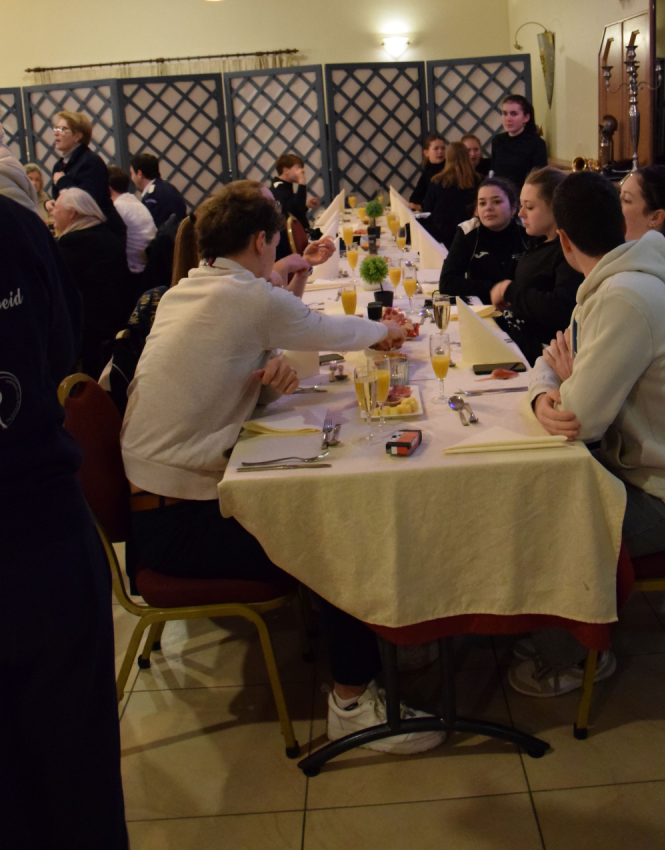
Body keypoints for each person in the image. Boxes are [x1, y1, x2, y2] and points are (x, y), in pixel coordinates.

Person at [121, 180, 444, 754]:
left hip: (153, 506)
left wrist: (265, 384)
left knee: (322, 498)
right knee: (332, 533)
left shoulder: (187, 289)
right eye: (273, 243)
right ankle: (352, 702)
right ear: (260, 240)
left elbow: (224, 374)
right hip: (177, 523)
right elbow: (330, 331)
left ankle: (385, 632)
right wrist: (389, 331)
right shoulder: (245, 298)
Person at [510, 172, 665, 699]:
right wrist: (547, 390)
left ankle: (574, 657)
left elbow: (578, 421)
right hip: (648, 472)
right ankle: (542, 625)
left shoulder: (625, 296)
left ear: (563, 239)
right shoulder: (614, 281)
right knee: (535, 489)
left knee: (544, 519)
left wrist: (563, 386)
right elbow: (553, 359)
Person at [0, 196, 128, 850]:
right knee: (77, 780)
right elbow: (58, 353)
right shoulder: (16, 227)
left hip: (40, 525)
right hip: (41, 525)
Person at [489, 167, 582, 363]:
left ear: (555, 207)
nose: (521, 213)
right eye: (522, 206)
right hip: (520, 341)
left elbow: (562, 308)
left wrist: (511, 291)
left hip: (544, 355)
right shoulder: (539, 243)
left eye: (529, 207)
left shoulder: (568, 252)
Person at [53, 187, 133, 379]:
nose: (52, 212)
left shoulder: (72, 245)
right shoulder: (107, 236)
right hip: (117, 323)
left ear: (72, 213)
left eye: (56, 208)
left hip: (90, 333)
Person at [439, 177, 528, 302]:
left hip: (521, 305)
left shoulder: (528, 232)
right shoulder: (468, 232)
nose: (488, 208)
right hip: (482, 308)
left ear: (514, 207)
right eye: (482, 203)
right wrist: (496, 289)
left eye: (497, 202)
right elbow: (447, 283)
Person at [50, 110, 127, 241]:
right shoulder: (59, 165)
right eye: (56, 128)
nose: (56, 132)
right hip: (76, 231)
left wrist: (62, 181)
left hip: (102, 233)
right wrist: (51, 204)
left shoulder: (91, 161)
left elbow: (88, 200)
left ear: (77, 136)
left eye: (63, 129)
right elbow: (59, 197)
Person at [420, 141, 481, 248]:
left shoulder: (437, 181)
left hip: (442, 236)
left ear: (448, 158)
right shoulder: (479, 180)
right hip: (469, 233)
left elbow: (428, 209)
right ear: (467, 156)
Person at [490, 94, 547, 192]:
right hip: (500, 194)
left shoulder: (537, 144)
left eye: (514, 114)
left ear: (526, 117)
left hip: (524, 194)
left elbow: (538, 179)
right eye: (505, 113)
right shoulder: (497, 140)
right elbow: (494, 172)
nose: (508, 119)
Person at [108, 165, 156, 274]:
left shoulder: (118, 207)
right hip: (149, 266)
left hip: (135, 271)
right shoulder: (134, 201)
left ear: (109, 190)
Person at [130, 152, 187, 229]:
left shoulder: (152, 197)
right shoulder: (167, 186)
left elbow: (154, 229)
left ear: (140, 174)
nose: (132, 178)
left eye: (132, 173)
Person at [271, 153, 320, 231]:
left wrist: (306, 206)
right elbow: (295, 210)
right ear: (286, 170)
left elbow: (292, 208)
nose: (302, 171)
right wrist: (302, 182)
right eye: (298, 168)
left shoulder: (285, 186)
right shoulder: (279, 188)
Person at [408, 133, 446, 210]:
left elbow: (443, 199)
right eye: (436, 149)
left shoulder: (449, 171)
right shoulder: (427, 172)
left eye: (443, 148)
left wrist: (421, 206)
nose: (440, 151)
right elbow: (415, 197)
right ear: (426, 153)